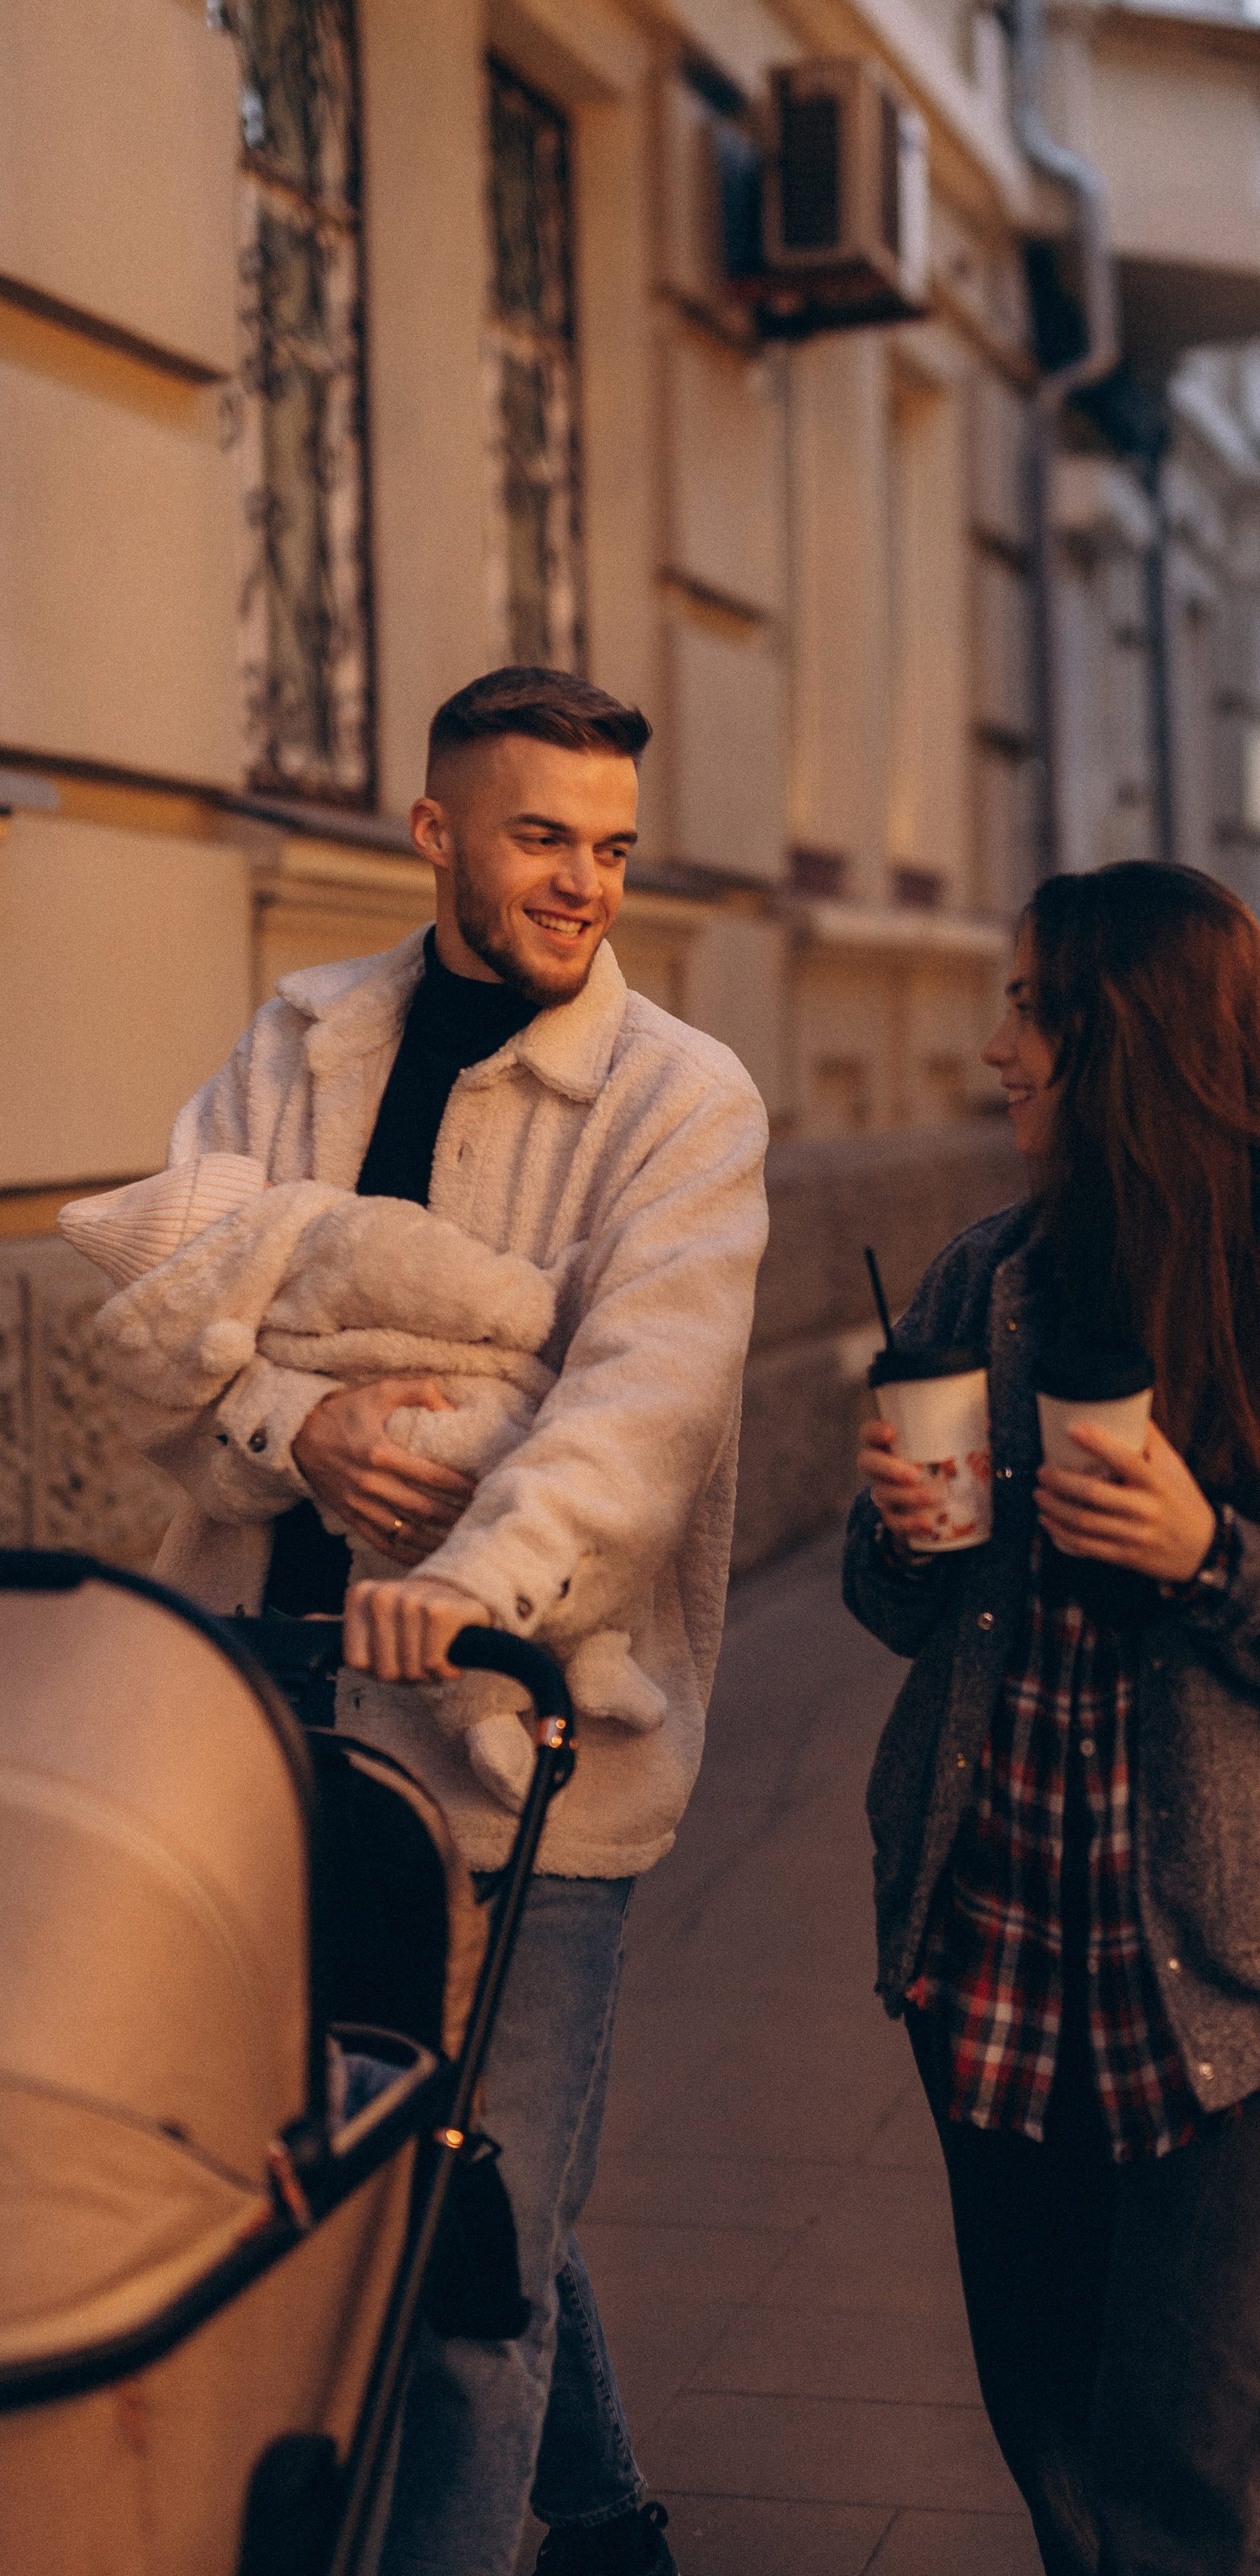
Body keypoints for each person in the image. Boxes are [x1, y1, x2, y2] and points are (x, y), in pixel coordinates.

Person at [133, 666, 770, 2576]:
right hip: (270, 1704)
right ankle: (606, 2516)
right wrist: (293, 1418)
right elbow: (174, 1303)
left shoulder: (680, 1097)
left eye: (613, 846)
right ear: (435, 834)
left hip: (518, 1747)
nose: (587, 880)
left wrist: (467, 1585)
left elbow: (638, 1409)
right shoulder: (303, 1036)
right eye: (543, 835)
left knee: (473, 2251)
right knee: (426, 2155)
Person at [846, 862, 1260, 2576]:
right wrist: (904, 1532)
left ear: (1126, 1040)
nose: (993, 1049)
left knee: (1182, 2452)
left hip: (1233, 1961)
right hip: (987, 1933)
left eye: (1028, 1010)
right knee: (1046, 2410)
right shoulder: (983, 1282)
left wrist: (1213, 1559)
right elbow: (891, 1607)